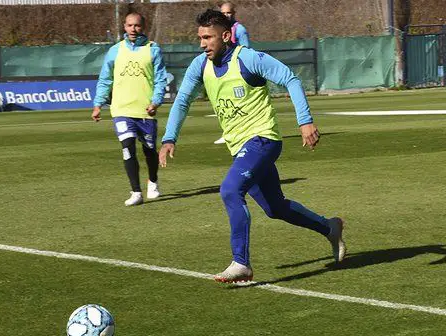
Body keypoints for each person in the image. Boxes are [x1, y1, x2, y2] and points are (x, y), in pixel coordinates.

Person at [159, 9, 346, 283]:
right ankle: (329, 227)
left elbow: (290, 79)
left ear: (225, 36)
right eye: (200, 37)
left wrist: (305, 121)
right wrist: (169, 137)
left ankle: (241, 263)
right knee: (275, 208)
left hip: (263, 139)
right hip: (240, 147)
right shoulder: (200, 65)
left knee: (230, 190)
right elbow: (182, 100)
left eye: (208, 37)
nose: (202, 43)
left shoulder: (248, 58)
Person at [92, 12, 167, 206]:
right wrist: (98, 104)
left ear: (144, 27)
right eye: (129, 25)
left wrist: (156, 102)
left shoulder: (153, 50)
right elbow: (105, 78)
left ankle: (153, 180)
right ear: (124, 27)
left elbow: (160, 80)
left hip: (145, 111)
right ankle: (135, 192)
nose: (133, 29)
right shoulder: (115, 51)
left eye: (137, 26)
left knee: (149, 150)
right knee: (127, 148)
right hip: (121, 110)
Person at [213, 1, 250, 145]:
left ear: (234, 13)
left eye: (229, 13)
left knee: (238, 102)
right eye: (224, 13)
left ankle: (242, 132)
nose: (226, 15)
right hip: (223, 71)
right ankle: (229, 131)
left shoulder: (239, 29)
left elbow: (246, 50)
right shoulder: (218, 29)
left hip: (236, 72)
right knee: (224, 103)